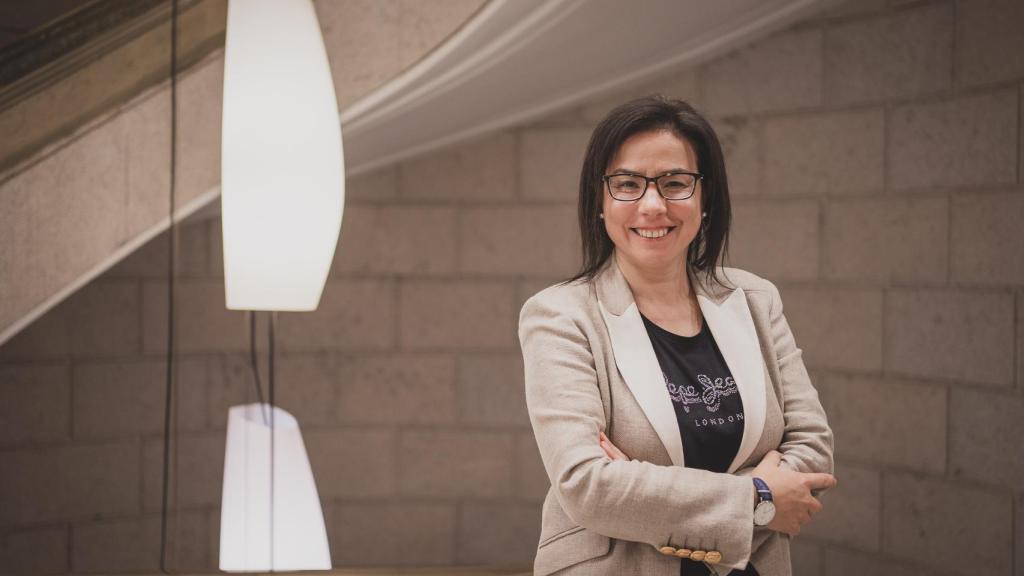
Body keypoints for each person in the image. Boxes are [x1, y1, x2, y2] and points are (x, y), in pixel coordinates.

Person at [518, 96, 836, 576]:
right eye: (627, 184)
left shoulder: (755, 299)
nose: (652, 204)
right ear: (599, 203)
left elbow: (812, 447)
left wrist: (644, 488)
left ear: (705, 199)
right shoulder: (561, 316)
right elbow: (587, 485)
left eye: (675, 183)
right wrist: (760, 498)